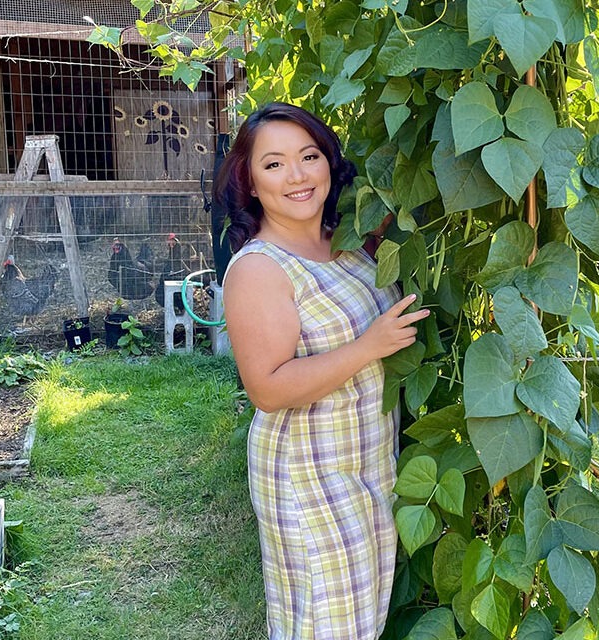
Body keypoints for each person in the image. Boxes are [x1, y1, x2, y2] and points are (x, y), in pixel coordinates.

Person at [217, 102, 428, 640]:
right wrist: (368, 347)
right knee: (321, 623)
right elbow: (266, 387)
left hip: (366, 462)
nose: (297, 176)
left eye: (309, 156)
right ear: (249, 179)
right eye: (274, 164)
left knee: (360, 620)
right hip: (308, 477)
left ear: (329, 162)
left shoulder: (346, 240)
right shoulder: (260, 269)